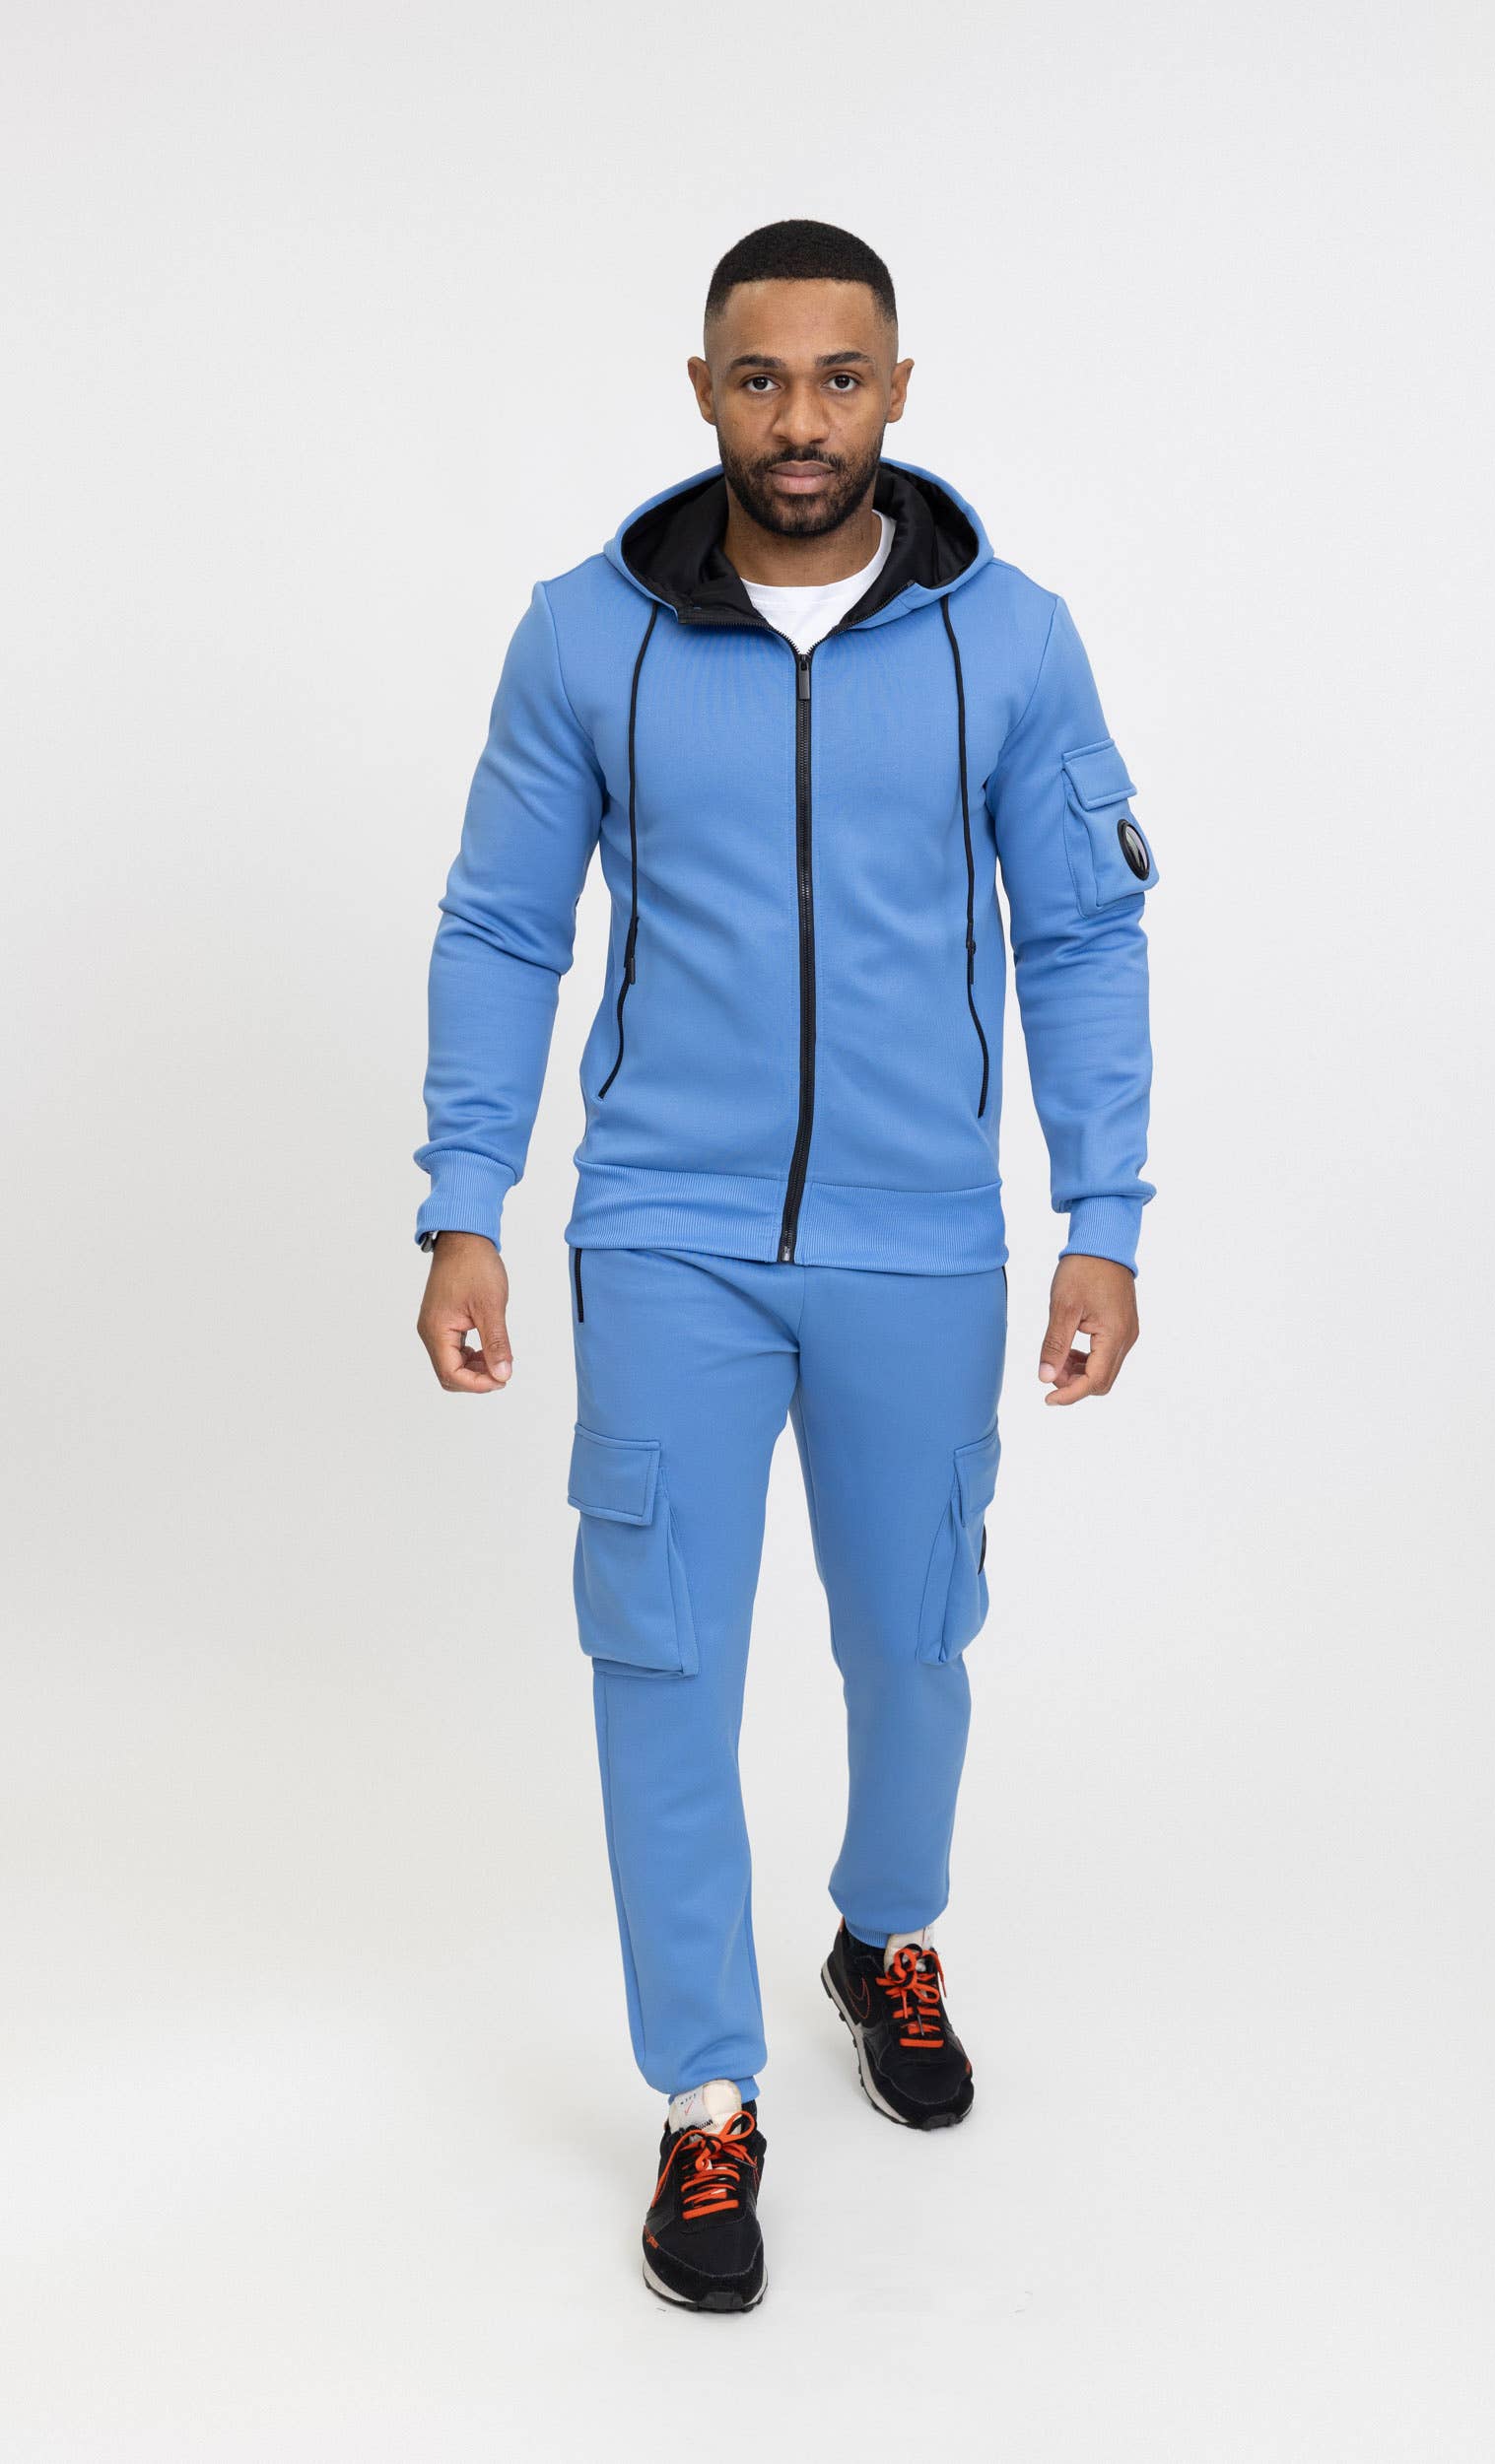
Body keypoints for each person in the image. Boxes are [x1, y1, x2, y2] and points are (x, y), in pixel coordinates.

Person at [412, 218, 1158, 2312]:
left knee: (915, 1637)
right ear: (705, 392)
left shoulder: (1013, 640)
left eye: (842, 378)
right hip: (669, 1230)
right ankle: (705, 2092)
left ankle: (884, 1927)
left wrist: (1103, 1219)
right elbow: (501, 926)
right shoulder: (588, 637)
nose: (802, 419)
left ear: (899, 390)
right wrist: (464, 1198)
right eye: (762, 378)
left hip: (923, 1239)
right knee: (662, 1650)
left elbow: (1083, 931)